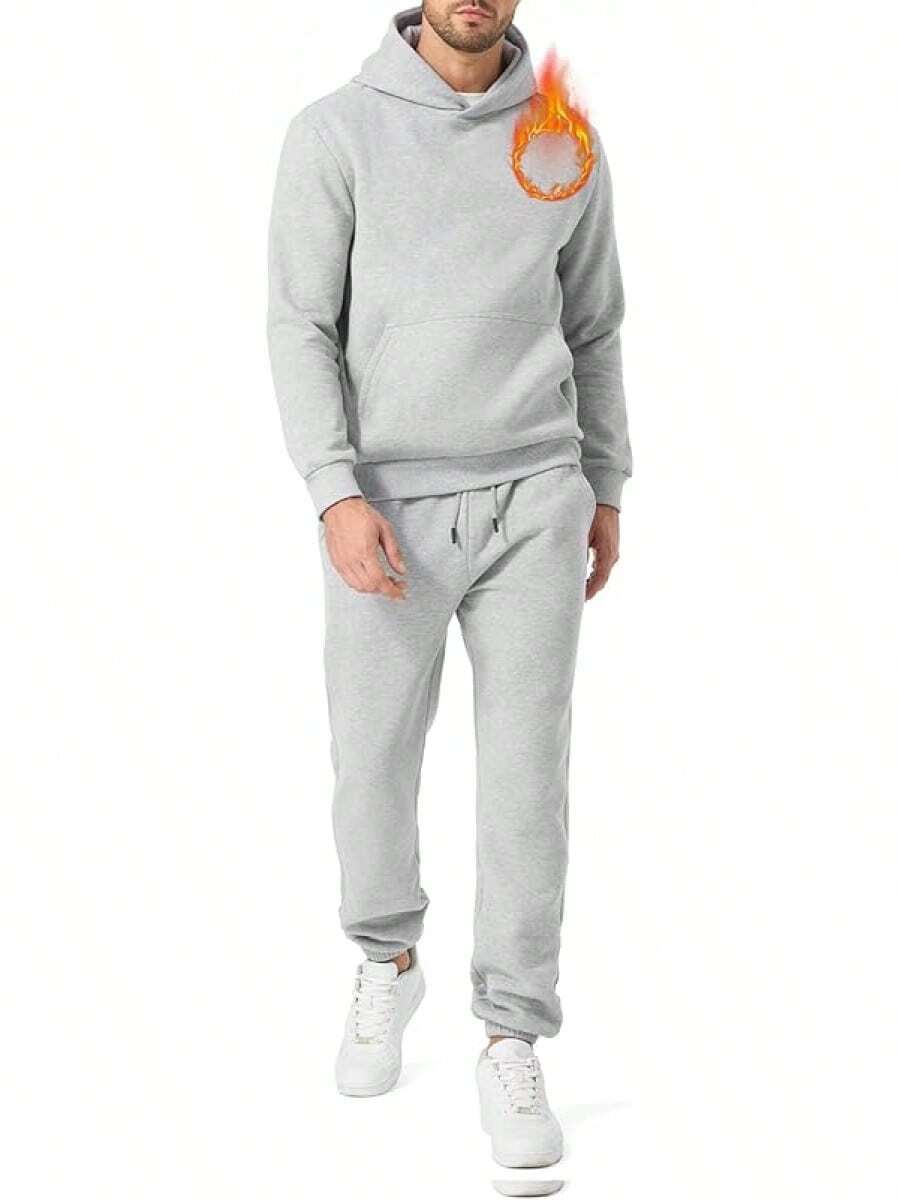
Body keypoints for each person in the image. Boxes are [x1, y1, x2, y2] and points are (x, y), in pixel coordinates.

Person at [266, 2, 631, 1169]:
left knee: (527, 781)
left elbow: (595, 327)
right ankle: (387, 955)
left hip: (538, 496)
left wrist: (606, 481)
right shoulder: (335, 133)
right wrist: (334, 489)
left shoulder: (563, 136)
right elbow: (300, 325)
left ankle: (512, 1033)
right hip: (389, 505)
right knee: (371, 759)